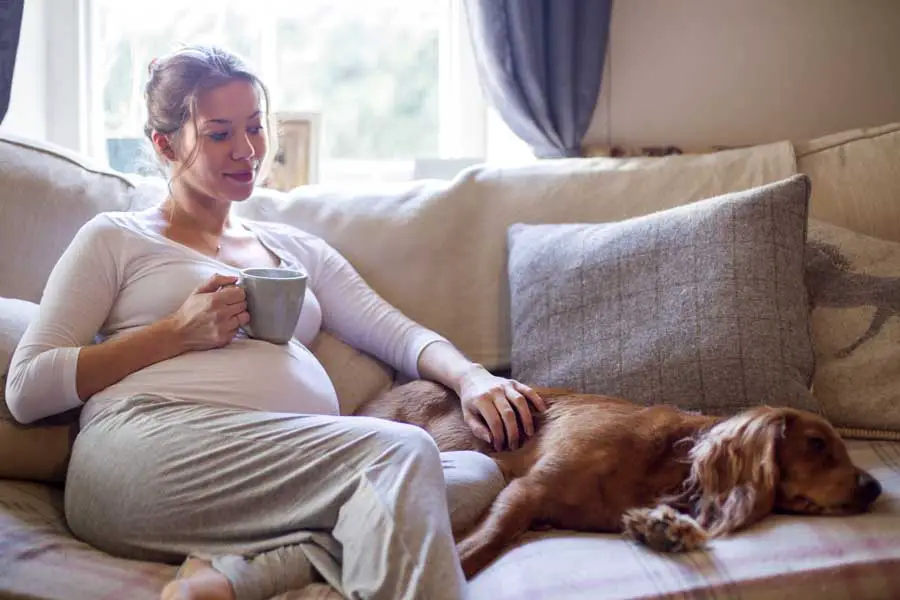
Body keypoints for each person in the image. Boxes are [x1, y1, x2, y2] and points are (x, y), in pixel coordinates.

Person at [5, 45, 545, 600]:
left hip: (277, 476)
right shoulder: (116, 237)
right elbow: (27, 388)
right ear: (164, 144)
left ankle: (235, 576)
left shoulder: (293, 249)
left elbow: (396, 331)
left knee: (471, 476)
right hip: (143, 453)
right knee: (404, 456)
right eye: (218, 134)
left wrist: (472, 378)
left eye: (255, 127)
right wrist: (174, 333)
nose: (246, 150)